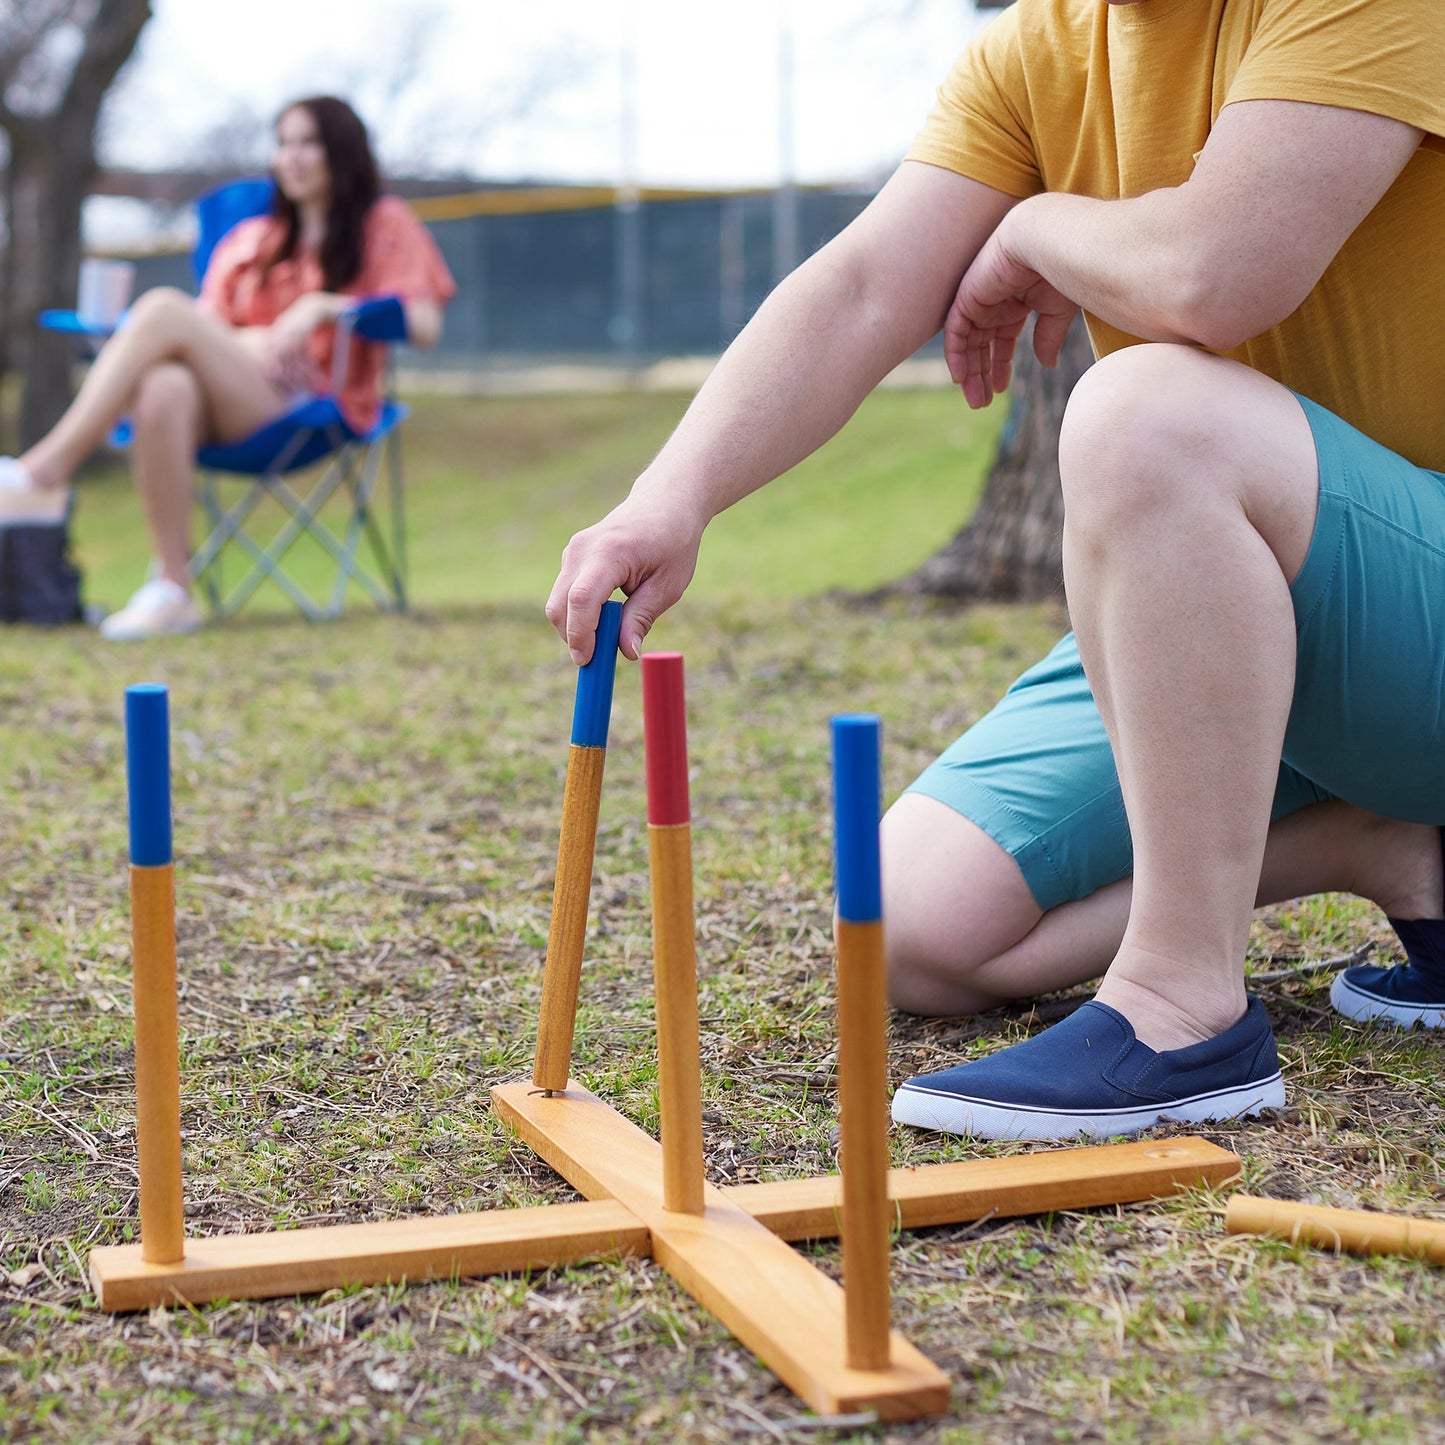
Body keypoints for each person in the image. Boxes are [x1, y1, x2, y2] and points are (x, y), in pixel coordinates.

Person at [546, 0, 1445, 1141]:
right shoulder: (1039, 49)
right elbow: (866, 283)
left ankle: (1183, 1008)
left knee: (1148, 414)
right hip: (1267, 607)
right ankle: (1391, 846)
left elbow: (1209, 275)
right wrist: (670, 498)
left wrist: (1033, 226)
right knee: (911, 924)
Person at [0, 95, 456, 640]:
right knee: (165, 384)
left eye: (309, 142)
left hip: (311, 403)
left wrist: (321, 307)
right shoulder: (253, 239)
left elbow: (425, 325)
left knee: (162, 308)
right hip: (231, 396)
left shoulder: (383, 224)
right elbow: (205, 328)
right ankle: (172, 589)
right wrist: (256, 340)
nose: (292, 157)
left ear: (342, 150)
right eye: (284, 144)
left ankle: (40, 473)